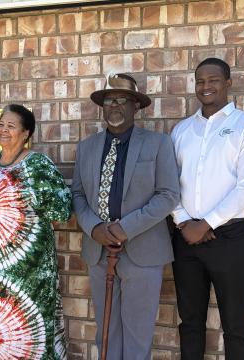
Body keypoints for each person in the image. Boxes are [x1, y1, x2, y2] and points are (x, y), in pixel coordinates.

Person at [71, 73, 180, 359]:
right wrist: (95, 229)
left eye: (121, 100)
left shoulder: (158, 144)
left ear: (135, 106)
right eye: (108, 101)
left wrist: (124, 229)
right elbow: (78, 196)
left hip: (143, 253)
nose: (114, 106)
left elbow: (168, 195)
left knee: (136, 335)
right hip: (99, 253)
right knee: (105, 333)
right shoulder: (87, 148)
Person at [171, 58, 244, 359]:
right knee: (190, 323)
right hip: (186, 238)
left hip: (230, 239)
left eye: (213, 79)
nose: (206, 86)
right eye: (200, 80)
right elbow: (168, 183)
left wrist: (207, 223)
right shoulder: (182, 130)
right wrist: (184, 221)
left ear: (228, 83)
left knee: (235, 325)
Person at [0, 104, 72, 359]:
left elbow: (62, 210)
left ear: (26, 134)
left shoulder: (38, 165)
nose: (3, 130)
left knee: (33, 334)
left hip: (30, 270)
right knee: (0, 334)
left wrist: (29, 203)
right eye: (1, 124)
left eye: (11, 126)